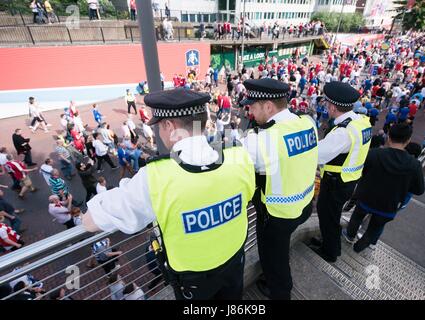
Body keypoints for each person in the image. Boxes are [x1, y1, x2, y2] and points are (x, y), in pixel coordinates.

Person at [83, 88, 256, 300]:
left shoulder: (156, 176)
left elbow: (90, 222)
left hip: (193, 279)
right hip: (235, 260)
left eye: (160, 126)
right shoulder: (238, 155)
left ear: (169, 125)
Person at [240, 78, 318, 300]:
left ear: (268, 106)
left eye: (253, 107)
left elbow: (231, 163)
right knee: (279, 250)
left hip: (276, 216)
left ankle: (280, 291)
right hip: (304, 205)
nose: (251, 113)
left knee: (274, 257)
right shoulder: (307, 122)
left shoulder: (262, 140)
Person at [312, 81, 372, 263]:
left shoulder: (343, 132)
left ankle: (330, 252)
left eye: (327, 104)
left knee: (327, 216)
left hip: (336, 183)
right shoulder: (360, 121)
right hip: (349, 180)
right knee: (332, 215)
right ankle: (329, 244)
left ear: (332, 106)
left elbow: (317, 155)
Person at [343, 123, 425, 252]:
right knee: (375, 227)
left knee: (357, 217)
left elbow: (360, 173)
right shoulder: (414, 165)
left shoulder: (374, 154)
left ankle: (349, 236)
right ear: (408, 140)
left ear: (388, 136)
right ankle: (360, 246)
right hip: (389, 205)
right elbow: (419, 190)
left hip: (366, 197)